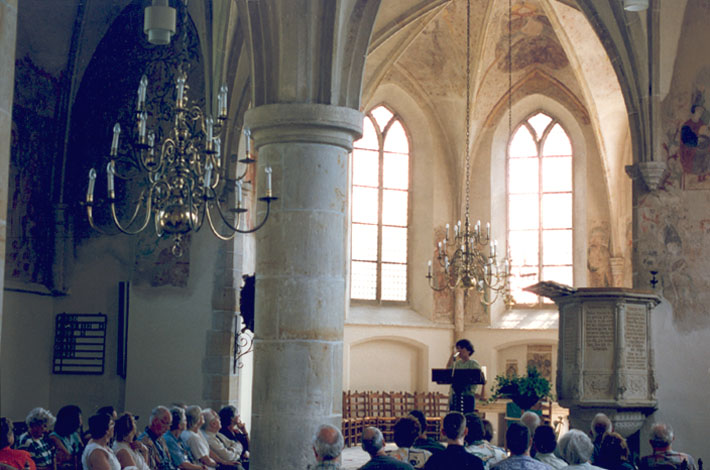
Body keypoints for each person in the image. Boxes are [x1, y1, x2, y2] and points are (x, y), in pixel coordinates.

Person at [446, 339, 482, 414]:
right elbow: (448, 370)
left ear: (468, 350)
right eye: (458, 348)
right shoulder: (457, 364)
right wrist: (452, 354)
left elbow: (476, 377)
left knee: (467, 416)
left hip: (467, 395)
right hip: (455, 395)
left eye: (461, 348)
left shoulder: (473, 363)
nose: (459, 351)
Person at [50, 405, 84, 470]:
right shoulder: (54, 437)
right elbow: (68, 456)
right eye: (79, 419)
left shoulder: (75, 435)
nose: (80, 422)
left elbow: (82, 450)